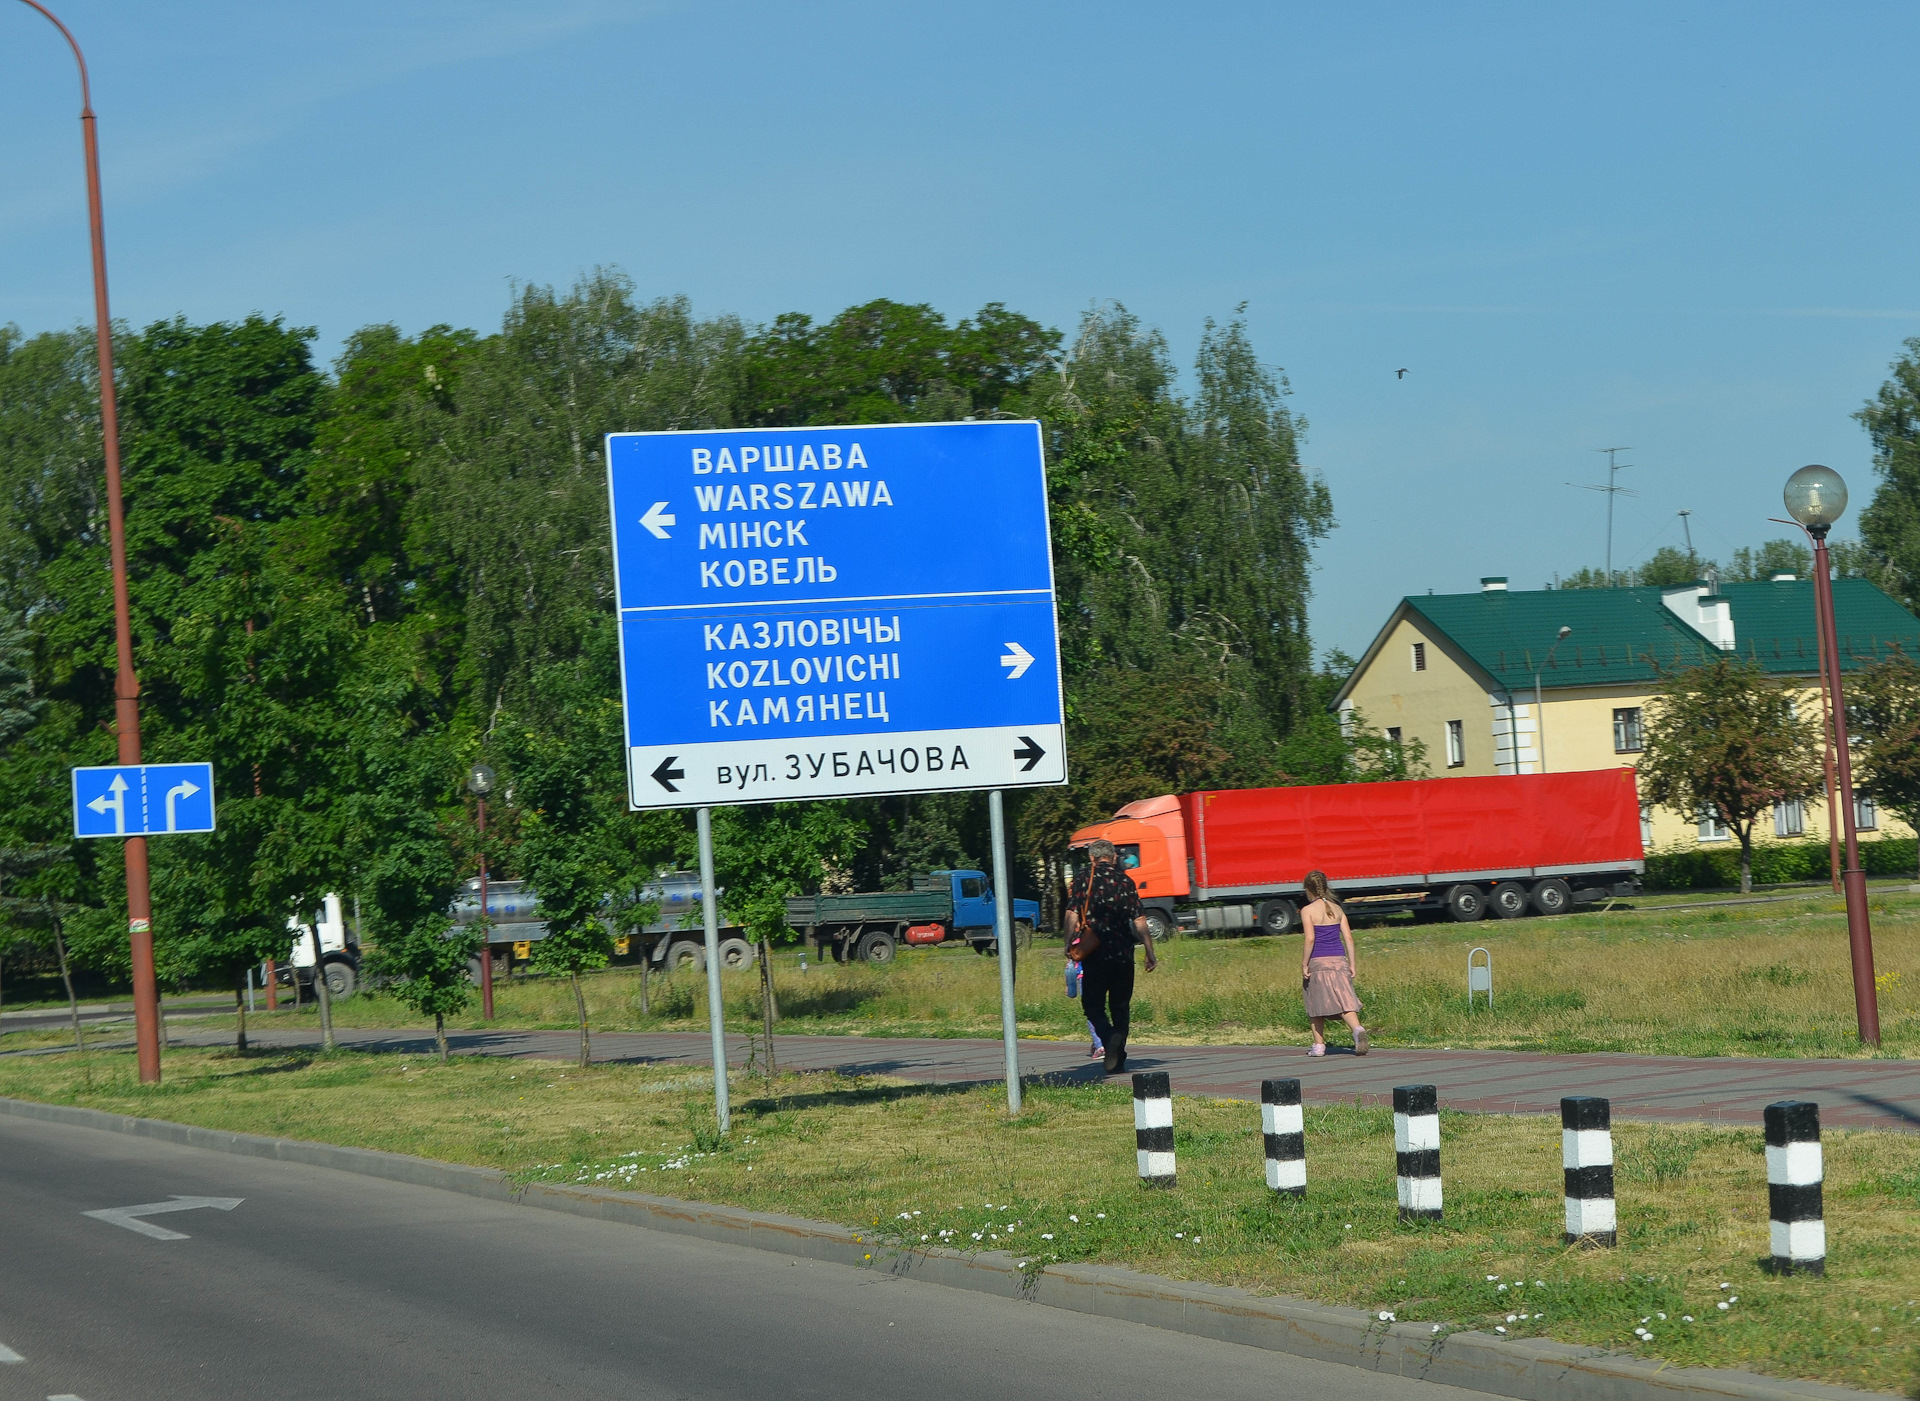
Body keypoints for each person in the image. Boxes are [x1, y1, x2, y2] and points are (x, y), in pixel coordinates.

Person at [1065, 838, 1158, 1073]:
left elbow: (1072, 913)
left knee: (1092, 1004)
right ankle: (1118, 1055)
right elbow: (1139, 919)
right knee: (1120, 1006)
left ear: (1091, 857)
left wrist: (1067, 943)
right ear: (1114, 857)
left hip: (1094, 953)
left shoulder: (1083, 879)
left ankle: (1109, 1038)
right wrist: (1149, 950)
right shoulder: (1125, 880)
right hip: (1123, 953)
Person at [1299, 869, 1368, 1057]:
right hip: (1339, 961)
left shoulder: (1307, 911)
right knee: (1345, 1000)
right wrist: (1352, 964)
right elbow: (1349, 938)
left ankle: (1319, 1045)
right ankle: (1357, 1029)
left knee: (1315, 1002)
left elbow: (1310, 939)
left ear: (1308, 889)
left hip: (1319, 962)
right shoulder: (1337, 909)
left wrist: (1304, 964)